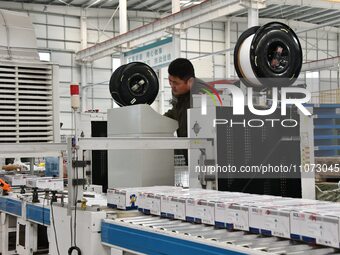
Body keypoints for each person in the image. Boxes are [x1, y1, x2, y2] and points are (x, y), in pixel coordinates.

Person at [164, 58, 207, 164]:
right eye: (170, 81)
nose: (172, 86)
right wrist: (160, 120)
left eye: (176, 83)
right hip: (188, 151)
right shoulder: (179, 93)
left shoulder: (202, 97)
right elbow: (176, 110)